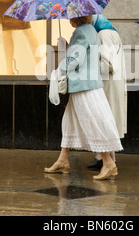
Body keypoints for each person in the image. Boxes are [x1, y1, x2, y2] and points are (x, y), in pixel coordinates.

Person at [44, 15, 123, 180]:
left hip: (84, 85)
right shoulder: (91, 30)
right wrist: (68, 47)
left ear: (77, 18)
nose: (68, 20)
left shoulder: (81, 32)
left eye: (70, 17)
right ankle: (63, 160)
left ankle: (108, 162)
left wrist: (59, 71)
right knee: (69, 122)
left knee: (92, 120)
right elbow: (84, 54)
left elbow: (75, 59)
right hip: (89, 82)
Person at [87, 14, 127, 170]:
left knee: (105, 119)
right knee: (108, 120)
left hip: (108, 84)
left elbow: (106, 65)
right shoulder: (110, 33)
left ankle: (106, 158)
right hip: (112, 83)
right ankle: (106, 157)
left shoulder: (103, 35)